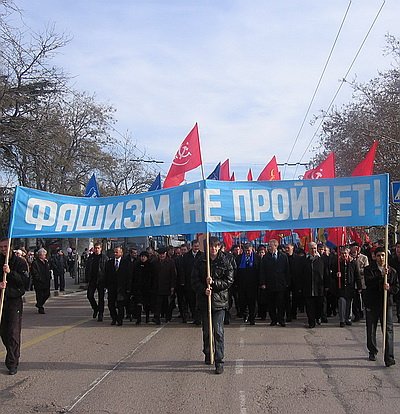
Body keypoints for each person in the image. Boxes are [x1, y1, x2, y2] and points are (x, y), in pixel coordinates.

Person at [191, 236, 234, 374]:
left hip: (219, 302)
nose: (213, 249)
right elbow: (194, 280)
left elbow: (229, 280)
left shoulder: (225, 260)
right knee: (207, 331)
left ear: (219, 246)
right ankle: (208, 352)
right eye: (211, 246)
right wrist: (203, 289)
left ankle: (219, 360)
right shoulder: (200, 260)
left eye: (216, 246)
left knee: (218, 332)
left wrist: (214, 283)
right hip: (205, 301)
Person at [364, 247, 399, 366]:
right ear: (374, 256)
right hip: (372, 304)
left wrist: (390, 288)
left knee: (388, 330)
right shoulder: (369, 269)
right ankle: (372, 350)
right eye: (378, 255)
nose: (381, 258)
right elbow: (369, 283)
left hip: (386, 304)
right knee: (371, 328)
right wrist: (380, 275)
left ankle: (389, 357)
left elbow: (396, 287)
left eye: (383, 255)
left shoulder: (392, 271)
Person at [0, 237, 29, 375]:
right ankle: (11, 353)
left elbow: (24, 282)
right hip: (1, 300)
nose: (3, 250)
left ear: (10, 247)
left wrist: (10, 273)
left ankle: (12, 362)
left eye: (5, 247)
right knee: (3, 332)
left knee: (13, 332)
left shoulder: (20, 262)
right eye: (1, 248)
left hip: (14, 301)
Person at [260, 239, 290, 327]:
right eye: (268, 246)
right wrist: (263, 283)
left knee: (281, 303)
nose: (268, 247)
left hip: (281, 284)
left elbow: (287, 270)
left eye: (270, 246)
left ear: (275, 246)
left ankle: (281, 319)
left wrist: (287, 282)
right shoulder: (266, 257)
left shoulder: (283, 256)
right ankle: (273, 319)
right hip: (270, 284)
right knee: (271, 304)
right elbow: (262, 271)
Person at [301, 242, 329, 328]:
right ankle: (311, 322)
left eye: (315, 248)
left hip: (319, 287)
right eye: (311, 248)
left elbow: (326, 273)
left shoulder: (322, 259)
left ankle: (318, 317)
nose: (313, 250)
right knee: (309, 306)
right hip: (308, 287)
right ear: (308, 249)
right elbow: (301, 273)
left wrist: (327, 285)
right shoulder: (305, 260)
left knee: (319, 305)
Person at [105, 247, 131, 326]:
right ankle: (114, 318)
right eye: (114, 252)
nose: (115, 254)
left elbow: (129, 276)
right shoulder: (109, 263)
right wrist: (106, 286)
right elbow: (106, 275)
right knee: (111, 304)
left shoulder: (126, 263)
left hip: (121, 287)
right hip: (112, 287)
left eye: (117, 252)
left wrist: (128, 288)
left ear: (121, 253)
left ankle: (120, 319)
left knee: (120, 305)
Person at [235, 243, 260, 325]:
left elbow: (260, 271)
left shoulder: (257, 258)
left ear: (252, 249)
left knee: (252, 302)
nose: (247, 252)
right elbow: (236, 272)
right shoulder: (239, 258)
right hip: (242, 284)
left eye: (249, 250)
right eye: (246, 251)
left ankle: (252, 318)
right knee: (242, 301)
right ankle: (245, 315)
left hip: (253, 284)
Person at [85, 242, 108, 321]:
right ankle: (95, 308)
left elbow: (106, 270)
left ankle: (100, 313)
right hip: (92, 280)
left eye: (98, 248)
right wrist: (87, 279)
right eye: (95, 248)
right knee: (89, 296)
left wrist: (106, 281)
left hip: (101, 280)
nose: (96, 250)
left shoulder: (104, 258)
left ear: (101, 249)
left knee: (101, 298)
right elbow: (87, 268)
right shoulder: (91, 258)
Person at [30, 248, 52, 314]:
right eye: (44, 255)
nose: (45, 256)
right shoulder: (35, 262)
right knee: (39, 295)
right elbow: (34, 272)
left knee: (47, 294)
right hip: (39, 282)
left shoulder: (46, 262)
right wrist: (38, 278)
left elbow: (48, 269)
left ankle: (39, 304)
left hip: (46, 281)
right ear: (40, 255)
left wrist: (49, 276)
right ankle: (40, 307)